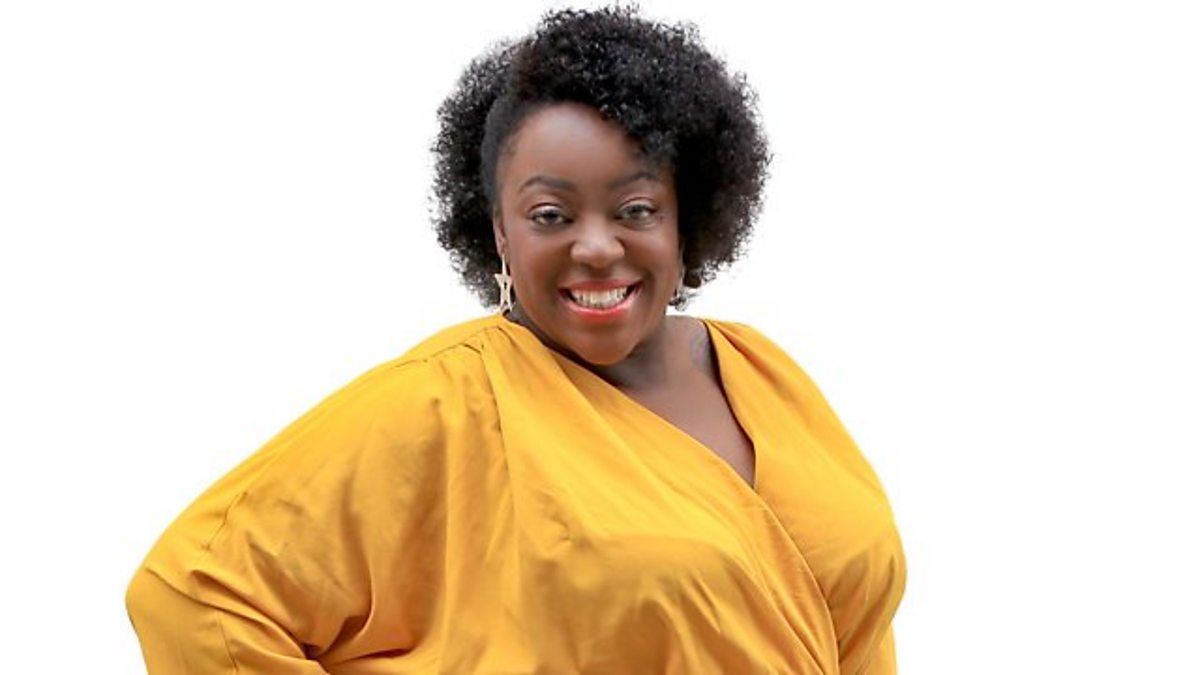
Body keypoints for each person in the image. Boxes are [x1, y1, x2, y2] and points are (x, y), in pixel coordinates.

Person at [126, 7, 906, 674]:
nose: (595, 245)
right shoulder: (446, 400)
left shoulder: (765, 370)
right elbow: (193, 592)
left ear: (685, 219)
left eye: (635, 209)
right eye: (550, 215)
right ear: (500, 232)